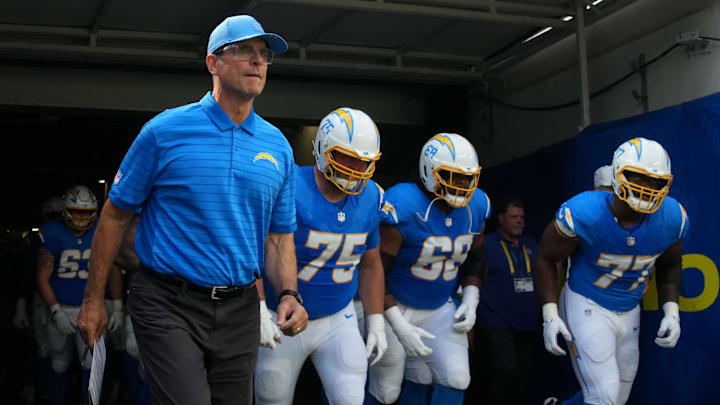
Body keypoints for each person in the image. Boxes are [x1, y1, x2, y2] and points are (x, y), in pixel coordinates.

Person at [76, 14, 308, 405]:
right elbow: (114, 215)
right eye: (244, 51)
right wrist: (93, 300)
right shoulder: (164, 132)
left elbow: (279, 236)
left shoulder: (278, 146)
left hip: (240, 310)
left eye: (264, 54)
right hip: (168, 302)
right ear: (212, 63)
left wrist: (289, 293)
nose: (257, 61)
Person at [254, 107, 392, 405]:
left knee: (350, 397)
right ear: (321, 149)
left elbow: (371, 264)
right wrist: (260, 305)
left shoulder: (371, 196)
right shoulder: (289, 185)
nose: (357, 168)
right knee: (271, 396)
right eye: (346, 157)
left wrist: (376, 319)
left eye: (364, 161)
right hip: (282, 316)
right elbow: (252, 250)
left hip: (337, 318)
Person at [536, 138, 687, 405]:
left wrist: (672, 312)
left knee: (616, 398)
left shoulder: (672, 217)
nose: (647, 189)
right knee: (603, 395)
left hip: (629, 309)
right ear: (618, 175)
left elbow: (670, 263)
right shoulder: (587, 212)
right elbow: (547, 258)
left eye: (655, 182)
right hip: (587, 302)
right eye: (639, 179)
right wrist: (549, 315)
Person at [366, 133, 491, 405]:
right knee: (387, 390)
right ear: (429, 171)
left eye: (467, 177)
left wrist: (471, 299)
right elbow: (375, 270)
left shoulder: (477, 205)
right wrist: (397, 323)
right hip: (393, 305)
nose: (461, 184)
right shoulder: (404, 204)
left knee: (458, 378)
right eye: (452, 175)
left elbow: (477, 257)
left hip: (439, 306)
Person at [36, 185, 124, 405]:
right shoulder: (52, 232)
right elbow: (42, 277)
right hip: (62, 306)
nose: (80, 217)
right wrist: (55, 310)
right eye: (76, 211)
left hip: (92, 308)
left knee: (91, 367)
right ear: (66, 211)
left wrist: (116, 305)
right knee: (59, 362)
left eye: (85, 212)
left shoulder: (100, 232)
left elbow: (113, 270)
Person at [474, 197, 539, 405]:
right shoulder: (487, 244)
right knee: (504, 366)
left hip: (527, 320)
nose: (519, 221)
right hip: (495, 318)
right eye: (513, 217)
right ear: (501, 218)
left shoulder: (532, 245)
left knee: (521, 374)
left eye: (521, 217)